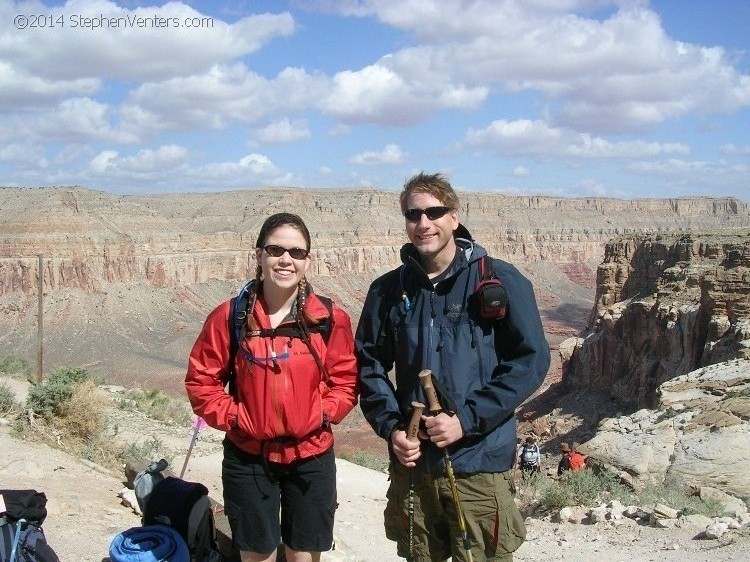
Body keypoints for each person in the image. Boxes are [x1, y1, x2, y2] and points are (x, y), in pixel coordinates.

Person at [356, 172, 550, 562]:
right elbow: (369, 364)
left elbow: (530, 361)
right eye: (413, 214)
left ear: (454, 217)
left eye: (434, 212)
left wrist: (466, 419)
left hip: (477, 463)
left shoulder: (498, 281)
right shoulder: (388, 290)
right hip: (414, 468)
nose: (423, 223)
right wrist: (392, 428)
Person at [185, 212, 358, 562]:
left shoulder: (328, 318)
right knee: (257, 553)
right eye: (275, 249)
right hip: (249, 455)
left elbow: (345, 380)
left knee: (303, 553)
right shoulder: (230, 316)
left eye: (296, 252)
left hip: (311, 454)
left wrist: (322, 412)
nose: (286, 259)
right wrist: (236, 418)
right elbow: (202, 380)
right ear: (259, 255)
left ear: (308, 260)